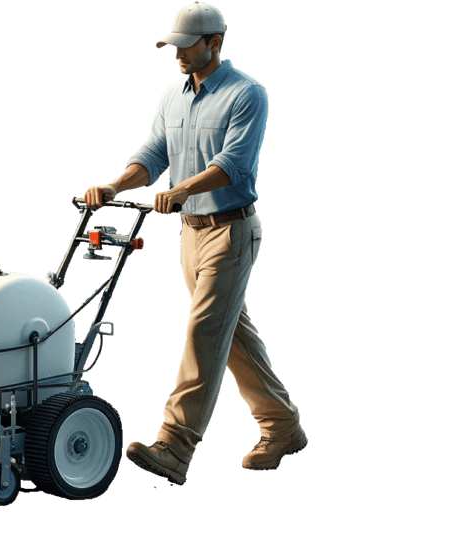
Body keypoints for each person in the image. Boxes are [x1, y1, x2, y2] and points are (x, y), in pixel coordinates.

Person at [83, 1, 306, 486]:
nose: (179, 54)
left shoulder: (248, 94)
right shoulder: (172, 97)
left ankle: (175, 447)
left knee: (203, 333)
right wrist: (115, 187)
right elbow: (154, 154)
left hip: (231, 230)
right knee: (231, 338)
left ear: (215, 43)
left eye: (188, 46)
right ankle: (283, 428)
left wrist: (182, 190)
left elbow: (235, 164)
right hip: (190, 234)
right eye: (174, 46)